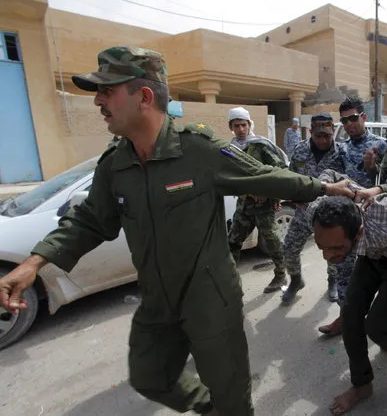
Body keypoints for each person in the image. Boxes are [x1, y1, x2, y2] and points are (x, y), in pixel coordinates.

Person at [0, 46, 354, 416]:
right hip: (157, 299)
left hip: (210, 299)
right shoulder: (115, 164)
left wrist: (326, 187)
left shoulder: (196, 149)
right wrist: (34, 264)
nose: (98, 102)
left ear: (144, 96)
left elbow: (265, 176)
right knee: (149, 375)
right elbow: (90, 220)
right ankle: (210, 407)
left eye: (107, 91)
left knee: (231, 391)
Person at [309, 163, 387, 415]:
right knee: (350, 316)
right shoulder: (316, 214)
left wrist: (379, 188)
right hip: (370, 256)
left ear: (358, 233)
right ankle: (362, 386)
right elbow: (328, 173)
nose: (328, 255)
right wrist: (329, 185)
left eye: (336, 249)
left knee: (378, 327)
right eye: (321, 247)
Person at [316, 97, 387, 336]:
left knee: (378, 274)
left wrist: (373, 168)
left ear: (363, 117)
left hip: (373, 219)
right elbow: (332, 177)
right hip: (346, 222)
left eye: (353, 118)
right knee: (343, 271)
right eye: (344, 120)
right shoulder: (342, 148)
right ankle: (345, 319)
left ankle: (379, 321)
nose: (349, 124)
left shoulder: (382, 145)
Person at [280, 113, 346, 305]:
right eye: (319, 136)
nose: (323, 140)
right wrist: (295, 200)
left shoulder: (342, 152)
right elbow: (292, 179)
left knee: (333, 252)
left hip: (331, 213)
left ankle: (332, 281)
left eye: (327, 135)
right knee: (289, 248)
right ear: (311, 132)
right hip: (304, 211)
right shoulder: (300, 151)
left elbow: (350, 181)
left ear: (333, 131)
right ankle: (296, 280)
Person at [226, 107, 290, 293]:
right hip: (244, 205)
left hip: (264, 206)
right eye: (236, 125)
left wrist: (272, 195)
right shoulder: (230, 149)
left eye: (243, 125)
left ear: (249, 125)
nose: (240, 129)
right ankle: (230, 281)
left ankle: (280, 275)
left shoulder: (260, 145)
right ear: (231, 126)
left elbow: (277, 170)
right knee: (233, 242)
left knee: (272, 242)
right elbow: (230, 176)